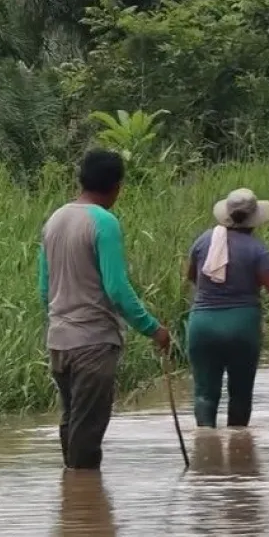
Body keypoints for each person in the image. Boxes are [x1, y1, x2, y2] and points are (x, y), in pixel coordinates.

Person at [38, 149, 171, 471]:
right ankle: (84, 504)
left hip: (59, 341)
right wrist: (153, 328)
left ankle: (74, 506)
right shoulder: (104, 222)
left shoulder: (55, 219)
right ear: (117, 186)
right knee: (88, 432)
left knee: (72, 422)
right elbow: (117, 289)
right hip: (93, 343)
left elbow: (45, 287)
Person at [186, 188, 269, 428]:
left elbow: (193, 276)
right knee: (240, 394)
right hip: (242, 327)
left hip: (202, 324)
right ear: (254, 218)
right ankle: (238, 453)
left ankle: (205, 450)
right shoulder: (257, 250)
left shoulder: (203, 241)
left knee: (204, 393)